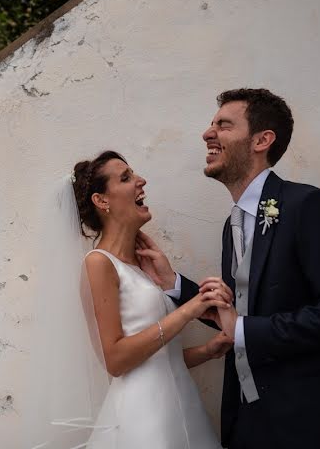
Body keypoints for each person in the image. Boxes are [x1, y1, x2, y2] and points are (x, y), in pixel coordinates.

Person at [138, 88, 320, 449]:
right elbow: (241, 311)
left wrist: (242, 328)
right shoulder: (232, 227)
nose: (207, 133)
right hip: (253, 426)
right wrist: (174, 283)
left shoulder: (308, 205)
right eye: (212, 124)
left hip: (319, 425)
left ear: (262, 140)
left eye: (223, 125)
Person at [71, 150, 233, 448]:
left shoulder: (143, 266)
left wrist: (208, 350)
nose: (141, 181)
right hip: (142, 420)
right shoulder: (98, 263)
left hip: (181, 408)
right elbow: (116, 361)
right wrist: (189, 309)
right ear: (101, 200)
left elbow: (159, 362)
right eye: (126, 177)